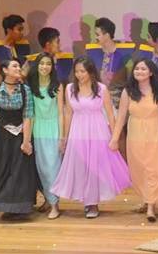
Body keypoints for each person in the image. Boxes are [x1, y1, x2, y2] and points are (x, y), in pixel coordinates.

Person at [52, 57, 130, 219]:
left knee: (95, 167)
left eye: (83, 71)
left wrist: (114, 137)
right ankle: (86, 200)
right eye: (77, 71)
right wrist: (64, 137)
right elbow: (68, 113)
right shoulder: (70, 89)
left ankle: (92, 203)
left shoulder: (101, 89)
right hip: (77, 132)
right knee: (81, 166)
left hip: (97, 132)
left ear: (90, 72)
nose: (79, 75)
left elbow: (110, 114)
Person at [110, 58, 158, 222]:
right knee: (139, 168)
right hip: (135, 135)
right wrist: (115, 139)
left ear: (151, 72)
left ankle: (151, 206)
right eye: (137, 69)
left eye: (143, 69)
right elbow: (121, 117)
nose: (139, 71)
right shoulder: (129, 91)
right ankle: (146, 199)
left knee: (154, 167)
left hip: (156, 133)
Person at [0, 59, 39, 216]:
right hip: (1, 134)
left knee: (20, 170)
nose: (18, 68)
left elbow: (28, 115)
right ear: (5, 70)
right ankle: (2, 205)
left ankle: (20, 207)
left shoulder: (25, 90)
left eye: (19, 66)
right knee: (1, 168)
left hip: (20, 133)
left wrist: (26, 141)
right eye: (14, 66)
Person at [26, 52, 66, 218]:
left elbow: (61, 113)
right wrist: (27, 138)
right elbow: (30, 113)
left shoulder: (57, 86)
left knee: (52, 169)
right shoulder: (31, 85)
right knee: (42, 169)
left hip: (53, 129)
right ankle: (49, 200)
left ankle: (55, 205)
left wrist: (62, 136)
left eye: (48, 64)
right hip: (38, 130)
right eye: (42, 63)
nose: (45, 67)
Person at [85, 17, 135, 111]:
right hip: (97, 105)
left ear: (107, 35)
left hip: (118, 105)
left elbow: (131, 82)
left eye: (97, 35)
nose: (95, 38)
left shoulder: (125, 55)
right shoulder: (93, 54)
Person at [0, 14, 31, 82]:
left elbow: (24, 70)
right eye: (19, 30)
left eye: (22, 30)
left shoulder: (24, 47)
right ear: (9, 30)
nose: (22, 33)